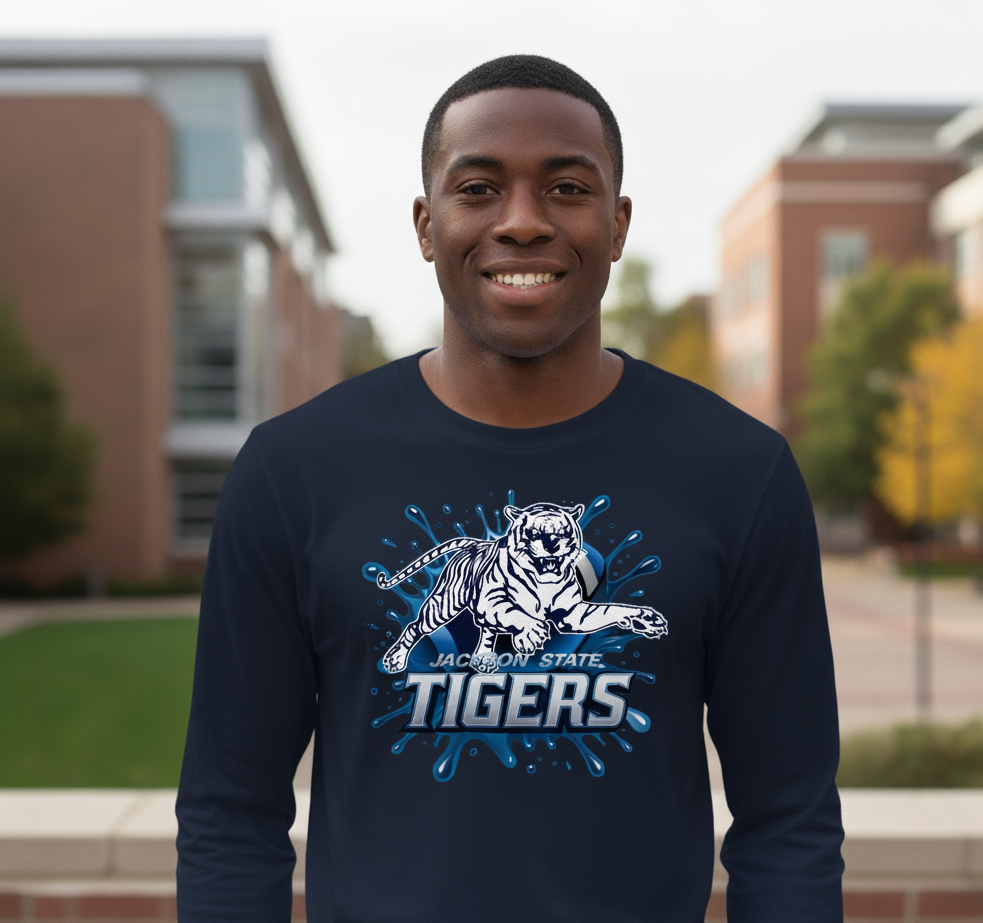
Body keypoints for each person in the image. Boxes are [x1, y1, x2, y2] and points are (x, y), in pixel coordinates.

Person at [176, 55, 844, 922]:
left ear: (617, 224)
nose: (522, 222)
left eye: (567, 188)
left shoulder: (739, 471)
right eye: (479, 187)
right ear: (426, 223)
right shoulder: (290, 471)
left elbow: (788, 815)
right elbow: (231, 808)